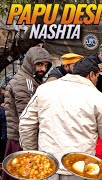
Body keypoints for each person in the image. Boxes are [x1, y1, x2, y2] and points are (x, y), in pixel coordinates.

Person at [19, 57, 102, 180]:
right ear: (92, 75)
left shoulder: (45, 89)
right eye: (97, 76)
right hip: (78, 167)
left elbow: (26, 124)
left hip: (47, 164)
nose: (97, 80)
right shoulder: (99, 98)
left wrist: (33, 153)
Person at [2, 47, 52, 180]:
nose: (43, 69)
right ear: (30, 62)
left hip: (18, 136)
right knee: (22, 173)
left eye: (46, 65)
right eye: (39, 64)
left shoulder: (30, 79)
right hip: (21, 139)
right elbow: (27, 117)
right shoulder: (25, 82)